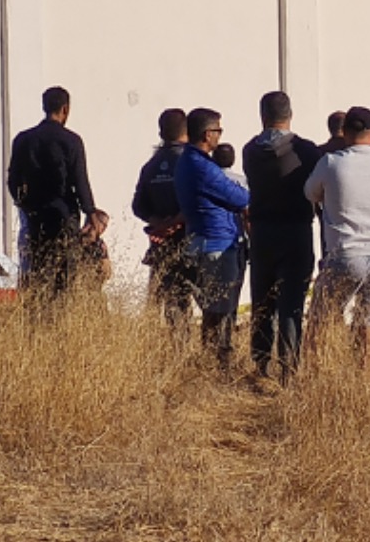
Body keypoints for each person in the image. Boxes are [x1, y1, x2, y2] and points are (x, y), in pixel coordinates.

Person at [304, 107, 370, 370]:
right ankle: (368, 387)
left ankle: (314, 378)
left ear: (344, 132)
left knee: (320, 321)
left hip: (346, 252)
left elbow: (310, 193)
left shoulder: (331, 162)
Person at [243, 91, 322, 383]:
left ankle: (260, 364)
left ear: (262, 115)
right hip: (296, 229)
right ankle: (289, 367)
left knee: (262, 299)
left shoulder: (250, 150)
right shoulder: (306, 150)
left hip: (262, 231)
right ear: (291, 114)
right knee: (292, 301)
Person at [6, 86, 106, 302]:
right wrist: (90, 212)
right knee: (63, 279)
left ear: (44, 107)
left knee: (37, 274)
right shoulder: (71, 141)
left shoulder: (23, 140)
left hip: (35, 219)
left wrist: (24, 203)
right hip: (64, 217)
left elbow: (12, 179)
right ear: (65, 109)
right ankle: (57, 323)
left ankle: (38, 321)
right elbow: (80, 181)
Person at [174, 108, 250, 370]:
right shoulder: (202, 167)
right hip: (217, 243)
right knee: (221, 309)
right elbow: (239, 197)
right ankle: (218, 363)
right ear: (208, 134)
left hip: (205, 240)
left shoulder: (188, 161)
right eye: (218, 130)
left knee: (214, 308)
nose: (220, 135)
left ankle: (213, 361)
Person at [131, 108, 193, 329]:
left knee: (170, 303)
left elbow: (138, 206)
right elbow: (199, 201)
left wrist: (159, 223)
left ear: (161, 132)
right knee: (200, 299)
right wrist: (176, 222)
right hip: (189, 241)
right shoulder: (192, 162)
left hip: (160, 244)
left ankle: (174, 351)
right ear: (187, 131)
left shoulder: (150, 166)